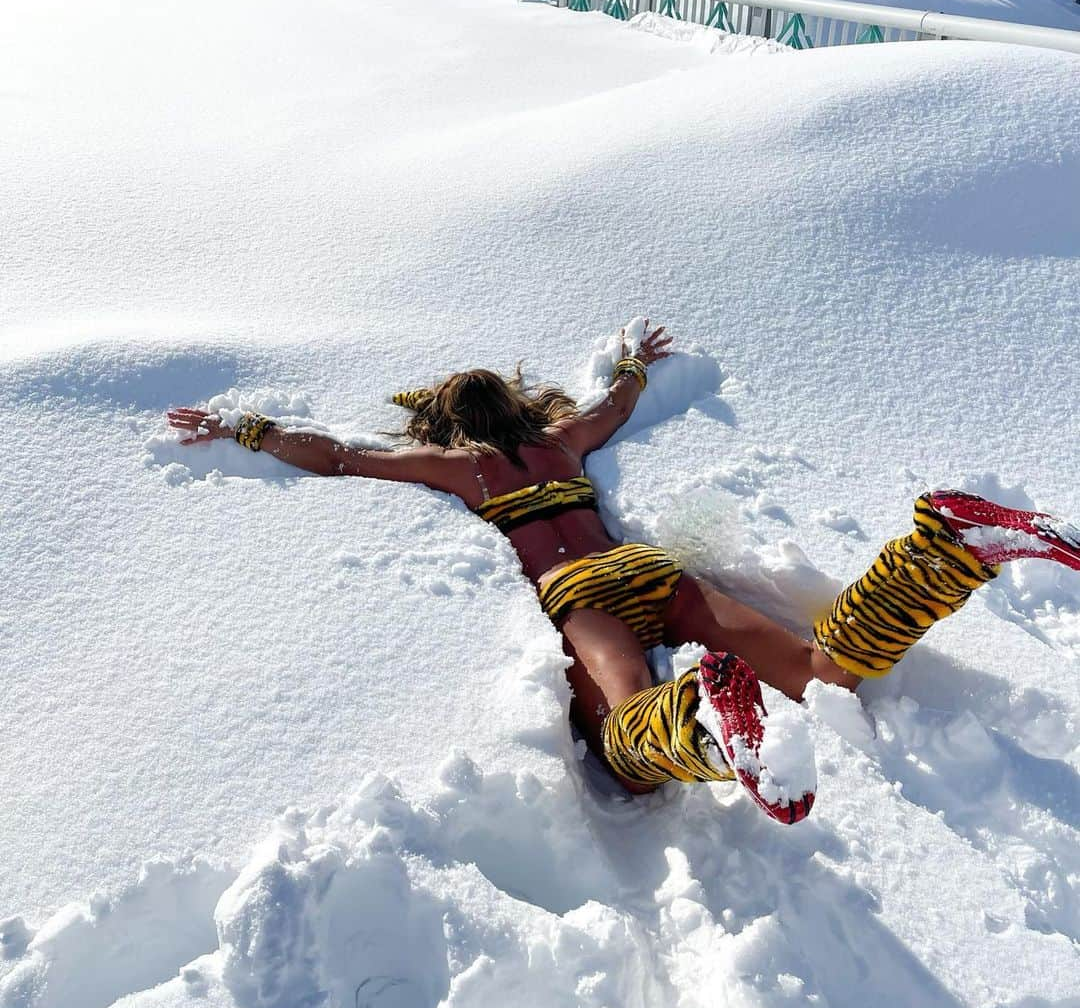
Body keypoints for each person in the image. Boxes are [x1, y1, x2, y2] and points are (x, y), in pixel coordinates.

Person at [167, 323, 1080, 822]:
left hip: (579, 595)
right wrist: (639, 364)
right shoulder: (560, 444)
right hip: (647, 568)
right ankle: (944, 551)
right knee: (819, 672)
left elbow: (338, 458)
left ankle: (704, 725)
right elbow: (614, 404)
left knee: (619, 735)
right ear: (516, 405)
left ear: (449, 425)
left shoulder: (466, 469)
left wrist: (244, 427)